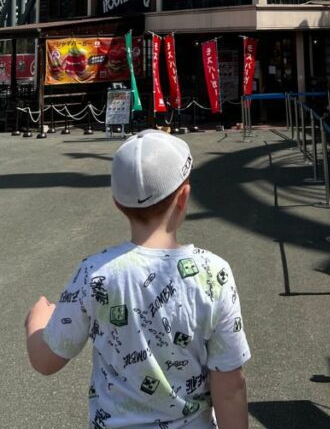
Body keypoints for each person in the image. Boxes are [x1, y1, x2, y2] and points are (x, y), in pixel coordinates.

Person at [25, 130, 250, 429]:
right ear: (184, 197)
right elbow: (230, 386)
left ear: (118, 202)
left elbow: (46, 361)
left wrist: (36, 322)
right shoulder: (215, 273)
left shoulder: (95, 274)